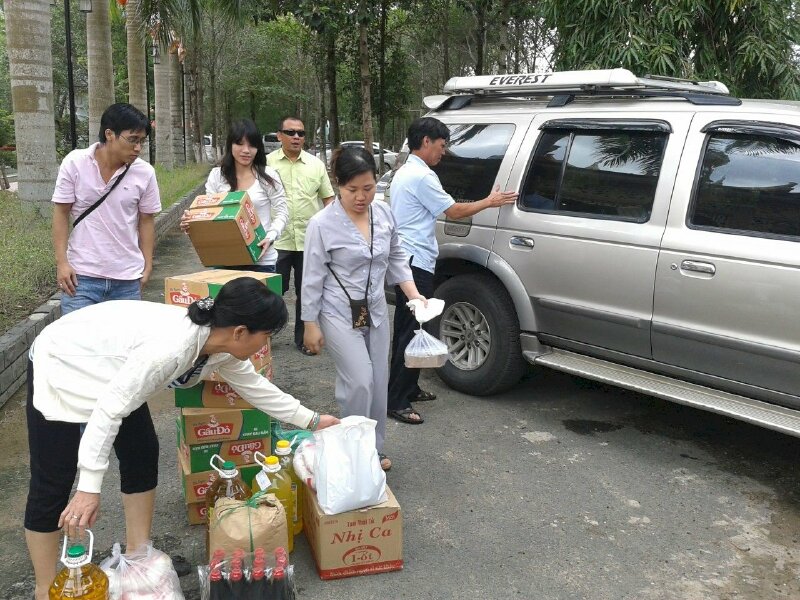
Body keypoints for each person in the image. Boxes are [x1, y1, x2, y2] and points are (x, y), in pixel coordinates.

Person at [24, 277, 339, 600]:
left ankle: (138, 560)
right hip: (66, 361)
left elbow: (255, 388)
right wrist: (89, 487)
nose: (265, 345)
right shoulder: (170, 349)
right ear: (240, 332)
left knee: (142, 452)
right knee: (54, 478)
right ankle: (44, 588)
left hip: (117, 367)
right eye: (266, 336)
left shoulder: (221, 347)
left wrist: (313, 420)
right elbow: (109, 410)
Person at [387, 117, 518, 424]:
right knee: (409, 330)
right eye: (442, 146)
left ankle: (409, 386)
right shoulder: (422, 176)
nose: (443, 153)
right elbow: (454, 211)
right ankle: (396, 400)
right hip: (414, 262)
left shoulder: (406, 172)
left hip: (410, 258)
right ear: (426, 142)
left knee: (413, 328)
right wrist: (491, 200)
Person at [301, 147, 425, 471]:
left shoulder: (383, 214)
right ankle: (353, 447)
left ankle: (374, 447)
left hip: (375, 308)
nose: (361, 197)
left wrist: (413, 295)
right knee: (359, 380)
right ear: (337, 184)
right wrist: (309, 323)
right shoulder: (321, 224)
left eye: (368, 188)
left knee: (379, 379)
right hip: (337, 310)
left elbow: (397, 256)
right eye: (352, 189)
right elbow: (312, 276)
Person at [52, 102, 161, 314]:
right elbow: (61, 213)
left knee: (123, 345)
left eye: (142, 141)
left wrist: (147, 266)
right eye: (132, 140)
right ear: (109, 134)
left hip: (127, 279)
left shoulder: (144, 172)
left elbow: (146, 220)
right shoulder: (75, 163)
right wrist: (62, 263)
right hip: (81, 278)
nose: (138, 148)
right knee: (78, 345)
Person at [182, 119, 288, 272]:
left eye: (252, 145)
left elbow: (283, 212)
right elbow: (208, 214)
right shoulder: (217, 175)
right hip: (225, 260)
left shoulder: (268, 176)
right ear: (230, 145)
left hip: (261, 260)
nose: (246, 150)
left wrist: (270, 237)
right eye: (239, 144)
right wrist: (191, 222)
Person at [267, 116, 335, 355]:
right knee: (272, 291)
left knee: (308, 292)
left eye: (301, 133)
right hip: (278, 241)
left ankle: (303, 340)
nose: (296, 137)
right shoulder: (266, 165)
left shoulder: (316, 165)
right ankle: (263, 339)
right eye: (290, 132)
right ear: (279, 135)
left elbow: (328, 199)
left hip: (310, 241)